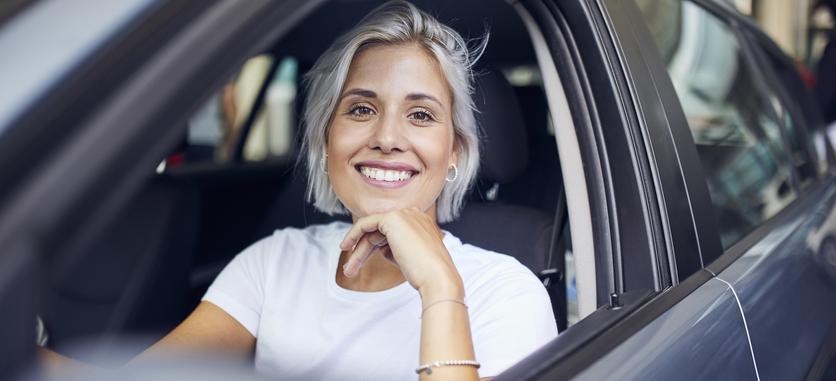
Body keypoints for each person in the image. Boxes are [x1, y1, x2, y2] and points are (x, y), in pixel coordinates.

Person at [40, 1, 557, 379]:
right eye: (360, 108)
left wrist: (440, 291)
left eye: (420, 115)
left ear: (455, 156)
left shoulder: (506, 293)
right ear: (326, 139)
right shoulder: (275, 260)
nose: (386, 137)